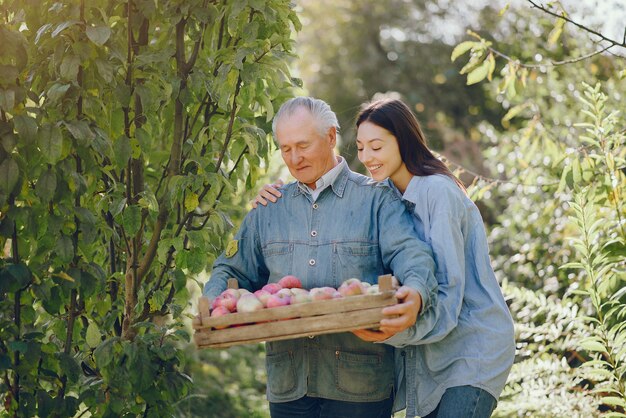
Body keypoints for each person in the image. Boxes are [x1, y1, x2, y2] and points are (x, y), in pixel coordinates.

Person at [253, 98, 516, 418]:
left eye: (376, 147)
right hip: (431, 354)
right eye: (361, 148)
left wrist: (392, 332)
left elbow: (448, 294)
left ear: (403, 141)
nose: (366, 158)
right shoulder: (387, 196)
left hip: (470, 350)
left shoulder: (438, 192)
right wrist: (280, 199)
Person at [203, 96, 439, 418]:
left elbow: (413, 255)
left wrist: (417, 294)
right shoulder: (269, 209)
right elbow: (230, 268)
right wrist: (214, 306)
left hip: (360, 386)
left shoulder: (376, 199)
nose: (295, 158)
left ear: (330, 137)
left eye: (303, 145)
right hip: (289, 385)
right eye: (285, 149)